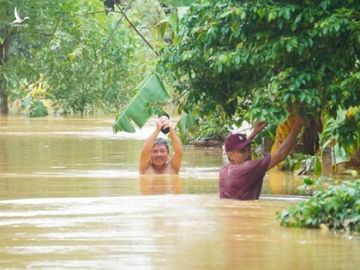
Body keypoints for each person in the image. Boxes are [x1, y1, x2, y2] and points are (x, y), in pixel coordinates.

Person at [219, 116, 305, 200]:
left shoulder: (224, 170)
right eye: (243, 151)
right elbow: (281, 154)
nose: (249, 154)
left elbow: (239, 152)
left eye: (249, 149)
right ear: (230, 155)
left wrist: (254, 132)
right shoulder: (249, 168)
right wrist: (297, 125)